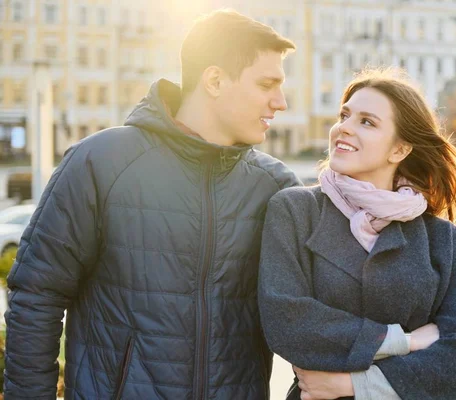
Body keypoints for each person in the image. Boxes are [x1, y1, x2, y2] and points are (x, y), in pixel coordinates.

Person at [4, 10, 301, 399]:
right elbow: (35, 297)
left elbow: (313, 320)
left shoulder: (276, 187)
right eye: (267, 84)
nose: (280, 101)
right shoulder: (102, 161)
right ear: (214, 80)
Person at [258, 68, 456, 400]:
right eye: (344, 115)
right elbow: (287, 321)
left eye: (367, 122)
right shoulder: (294, 210)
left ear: (399, 150)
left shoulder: (441, 239)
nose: (343, 128)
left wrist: (353, 385)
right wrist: (404, 341)